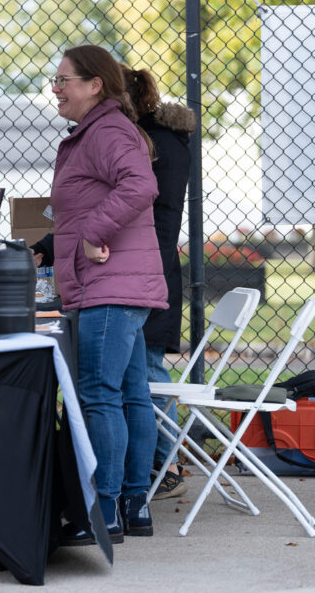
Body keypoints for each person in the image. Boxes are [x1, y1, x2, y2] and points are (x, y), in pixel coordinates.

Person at [47, 45, 167, 546]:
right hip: (122, 284)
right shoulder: (102, 130)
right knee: (131, 396)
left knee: (99, 396)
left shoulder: (107, 130)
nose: (55, 87)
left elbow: (140, 185)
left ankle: (105, 510)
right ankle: (134, 505)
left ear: (95, 84)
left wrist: (93, 232)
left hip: (110, 287)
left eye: (64, 79)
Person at [123, 65, 195, 500]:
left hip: (151, 273)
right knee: (143, 370)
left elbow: (161, 223)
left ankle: (166, 463)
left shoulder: (157, 145)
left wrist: (144, 272)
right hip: (151, 271)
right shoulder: (150, 140)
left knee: (148, 371)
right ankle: (159, 460)